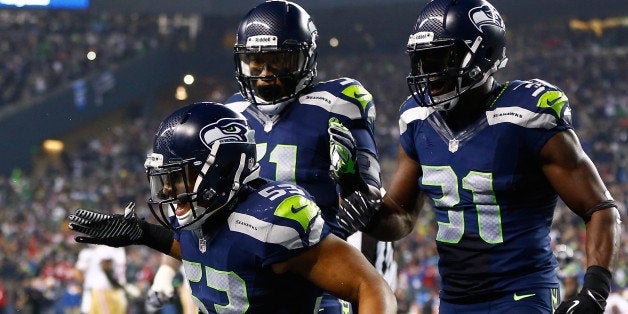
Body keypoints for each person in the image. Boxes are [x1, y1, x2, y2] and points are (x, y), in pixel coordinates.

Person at [327, 0, 622, 313]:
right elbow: (400, 218)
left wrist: (594, 292)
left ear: (483, 53)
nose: (430, 72)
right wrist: (361, 202)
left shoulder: (525, 116)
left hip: (522, 294)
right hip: (455, 299)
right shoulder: (417, 120)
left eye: (441, 57)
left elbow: (600, 208)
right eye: (422, 60)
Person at [149, 1, 396, 312]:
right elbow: (200, 210)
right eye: (255, 62)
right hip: (250, 261)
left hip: (319, 261)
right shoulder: (231, 113)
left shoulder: (335, 102)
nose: (265, 74)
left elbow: (367, 197)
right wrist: (163, 263)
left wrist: (353, 184)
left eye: (278, 62)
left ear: (305, 57)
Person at [68, 102, 397, 313]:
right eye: (164, 178)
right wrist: (143, 233)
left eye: (180, 176)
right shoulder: (203, 216)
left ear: (223, 168)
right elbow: (215, 256)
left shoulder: (273, 220)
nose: (168, 190)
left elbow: (370, 287)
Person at [75, 244, 127, 314]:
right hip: (104, 289)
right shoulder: (103, 249)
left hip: (111, 289)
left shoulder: (118, 249)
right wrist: (117, 284)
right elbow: (105, 265)